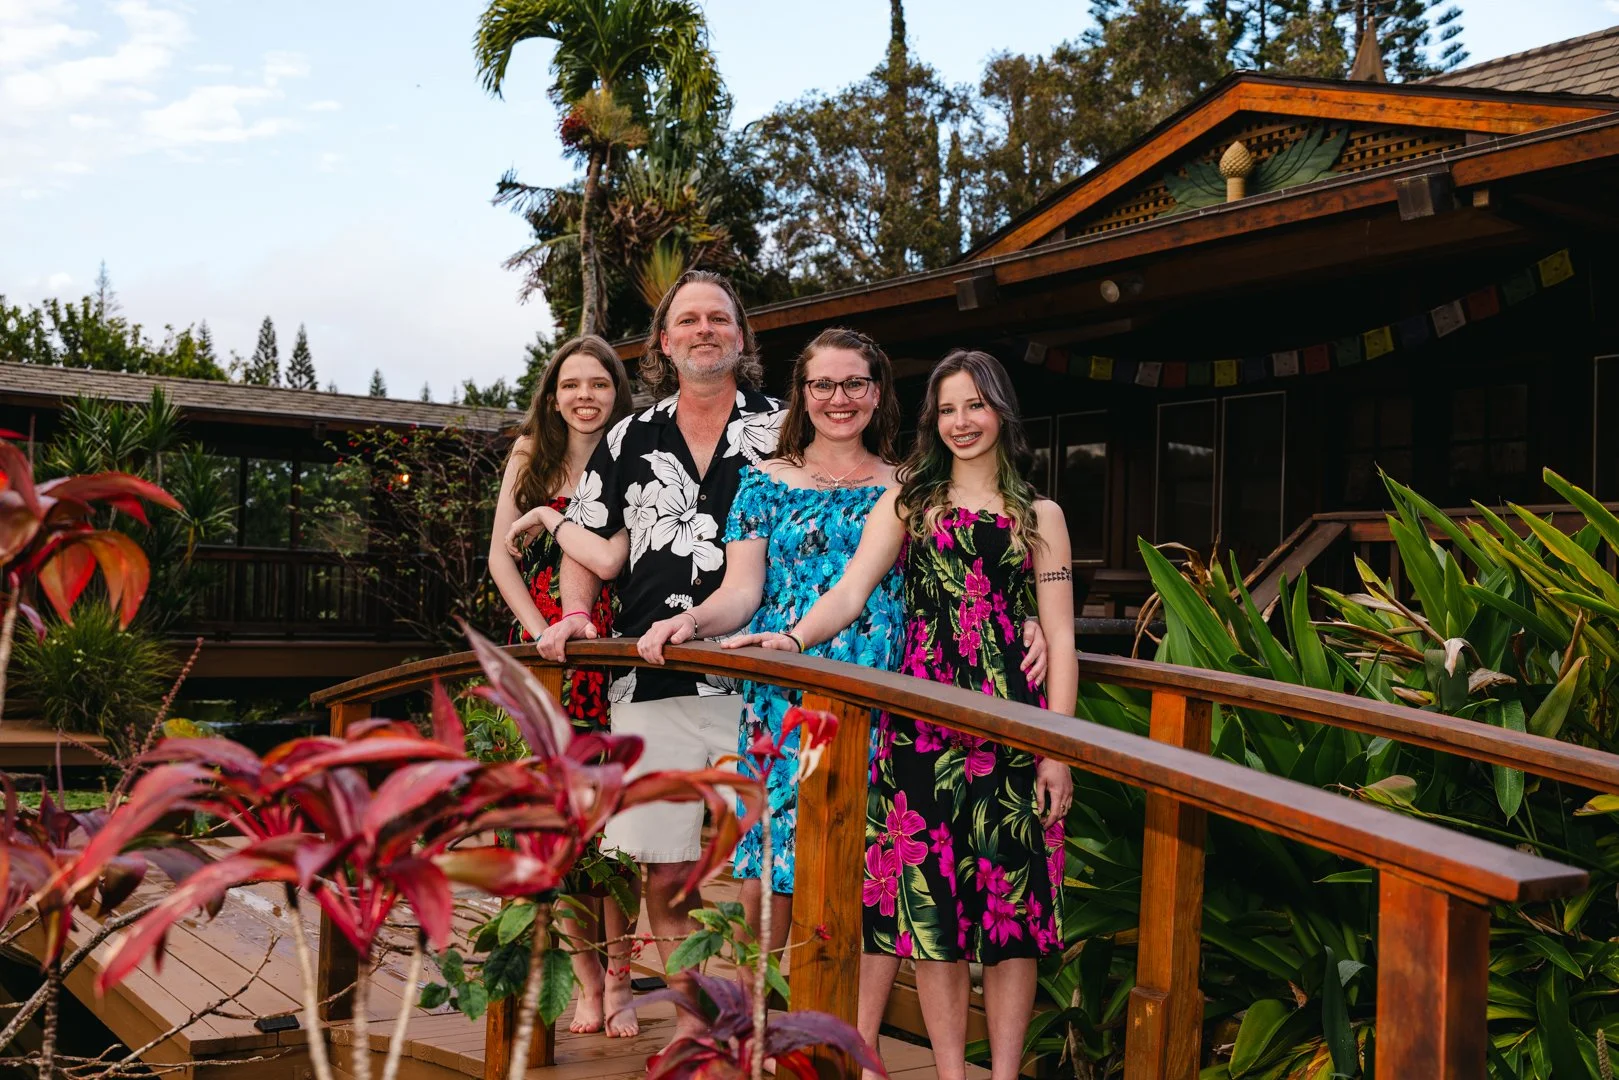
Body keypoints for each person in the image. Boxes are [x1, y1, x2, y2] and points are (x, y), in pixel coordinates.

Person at [634, 329, 1052, 960]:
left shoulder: (914, 485)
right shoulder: (762, 482)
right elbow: (741, 592)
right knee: (772, 858)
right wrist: (690, 622)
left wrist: (1028, 617)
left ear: (877, 392)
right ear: (801, 395)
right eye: (822, 384)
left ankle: (839, 1034)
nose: (839, 398)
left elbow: (974, 562)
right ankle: (761, 1030)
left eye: (854, 383)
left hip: (888, 685)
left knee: (873, 858)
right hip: (785, 678)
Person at [730, 349, 1078, 1080]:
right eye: (947, 409)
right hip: (918, 724)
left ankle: (1004, 1074)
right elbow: (852, 590)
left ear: (1001, 413)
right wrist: (793, 637)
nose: (961, 422)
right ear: (931, 420)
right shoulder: (909, 503)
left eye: (974, 406)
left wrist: (1056, 749)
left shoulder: (1040, 515)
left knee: (1012, 916)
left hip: (1011, 724)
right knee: (934, 916)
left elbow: (1063, 635)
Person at [537, 269, 784, 1040]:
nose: (704, 329)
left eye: (719, 318)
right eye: (689, 320)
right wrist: (576, 611)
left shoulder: (787, 427)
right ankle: (692, 1021)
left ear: (740, 338)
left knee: (769, 867)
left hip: (769, 677)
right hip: (652, 680)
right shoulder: (626, 437)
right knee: (664, 865)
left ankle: (754, 1013)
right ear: (664, 343)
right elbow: (590, 533)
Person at [488, 334, 638, 1036]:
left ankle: (623, 979)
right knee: (566, 829)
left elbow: (618, 563)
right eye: (572, 384)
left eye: (599, 385)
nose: (585, 396)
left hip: (620, 655)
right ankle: (584, 977)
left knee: (621, 827)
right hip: (551, 660)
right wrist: (537, 634)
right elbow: (499, 558)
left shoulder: (637, 456)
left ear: (616, 393)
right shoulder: (530, 455)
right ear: (552, 395)